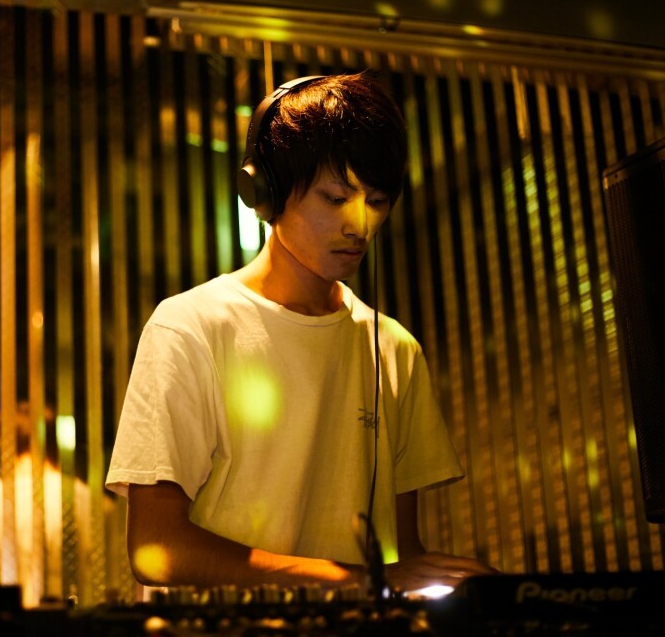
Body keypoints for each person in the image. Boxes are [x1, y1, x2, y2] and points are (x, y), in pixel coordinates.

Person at [105, 71, 495, 594]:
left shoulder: (394, 349)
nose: (359, 225)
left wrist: (460, 589)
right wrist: (357, 581)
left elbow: (399, 556)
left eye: (376, 201)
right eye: (335, 198)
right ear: (265, 192)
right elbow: (157, 551)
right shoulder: (190, 327)